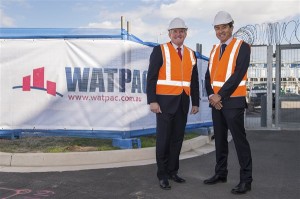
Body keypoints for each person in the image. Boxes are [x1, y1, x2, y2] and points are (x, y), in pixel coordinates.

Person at [146, 17, 200, 190]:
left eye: (181, 31)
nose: (178, 34)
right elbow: (152, 77)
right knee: (163, 140)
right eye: (175, 31)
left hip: (183, 103)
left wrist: (196, 102)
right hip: (163, 103)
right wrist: (152, 100)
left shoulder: (191, 54)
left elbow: (194, 81)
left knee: (177, 140)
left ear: (186, 34)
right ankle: (162, 175)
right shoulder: (160, 50)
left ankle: (172, 171)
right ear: (169, 33)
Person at [203, 11, 253, 195]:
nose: (220, 31)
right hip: (216, 103)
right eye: (217, 28)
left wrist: (219, 96)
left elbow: (238, 74)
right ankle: (220, 173)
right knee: (220, 142)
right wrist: (211, 96)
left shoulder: (243, 47)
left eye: (224, 27)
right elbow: (208, 76)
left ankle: (246, 180)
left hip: (233, 103)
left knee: (240, 142)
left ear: (231, 27)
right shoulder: (214, 49)